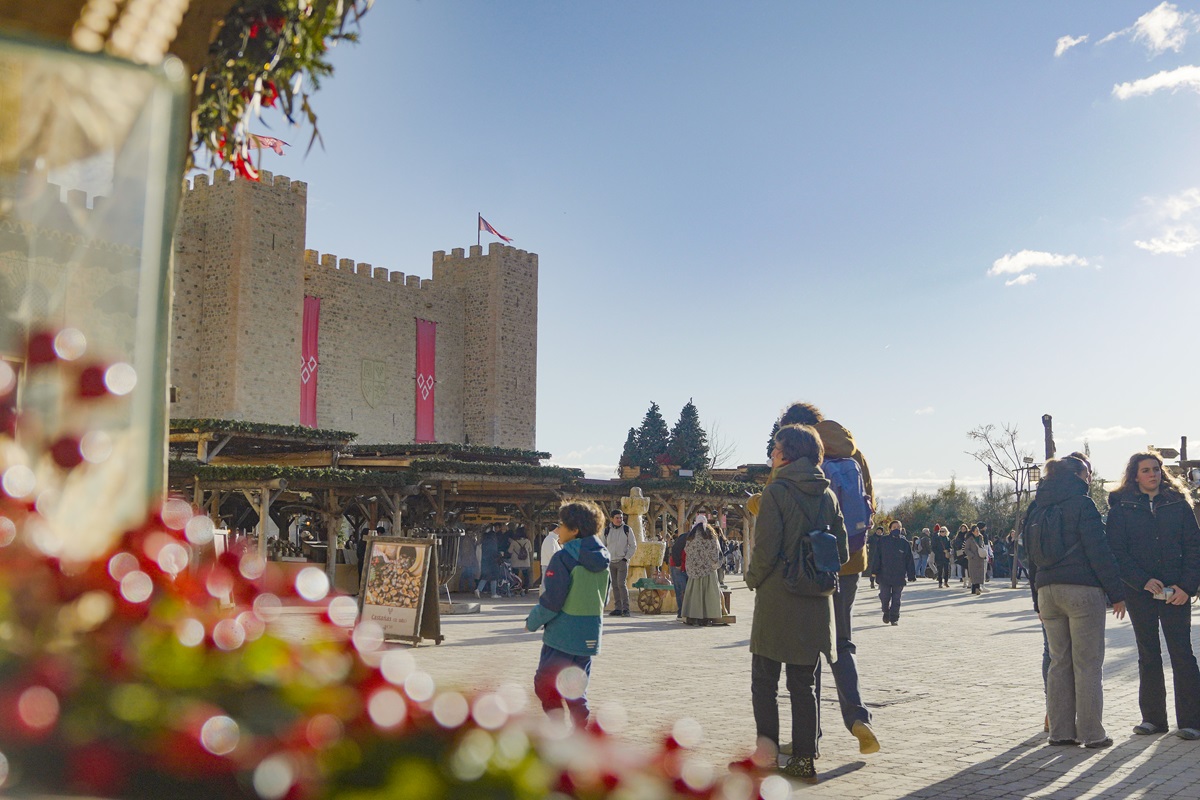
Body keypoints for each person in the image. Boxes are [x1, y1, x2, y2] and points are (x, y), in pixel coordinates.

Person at [737, 423, 848, 782]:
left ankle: (766, 757)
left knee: (764, 681)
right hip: (816, 598)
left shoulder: (777, 491)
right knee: (804, 685)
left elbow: (766, 548)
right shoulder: (828, 495)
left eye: (775, 449)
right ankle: (803, 760)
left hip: (777, 596)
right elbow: (842, 550)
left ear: (789, 454)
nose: (771, 455)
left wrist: (751, 579)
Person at [1026, 454, 1126, 749]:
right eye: (1088, 473)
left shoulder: (1036, 506)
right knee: (1088, 664)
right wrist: (1117, 593)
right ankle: (1092, 734)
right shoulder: (1082, 504)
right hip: (1082, 592)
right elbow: (1099, 550)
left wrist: (1037, 601)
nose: (1090, 478)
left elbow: (1031, 558)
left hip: (1048, 593)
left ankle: (1060, 732)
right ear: (1080, 475)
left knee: (1059, 663)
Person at [1107, 450, 1200, 739]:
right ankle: (1153, 719)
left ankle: (1192, 722)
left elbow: (1194, 548)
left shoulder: (1178, 504)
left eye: (1156, 469)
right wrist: (1141, 581)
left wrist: (1187, 587)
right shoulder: (1122, 507)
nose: (1152, 474)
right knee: (1148, 654)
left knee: (1182, 654)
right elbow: (1116, 551)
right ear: (1135, 475)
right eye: (1146, 470)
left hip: (1177, 593)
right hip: (1141, 593)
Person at [525, 501, 611, 726]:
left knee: (545, 683)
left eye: (562, 525)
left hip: (561, 636)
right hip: (589, 634)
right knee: (574, 687)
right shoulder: (603, 560)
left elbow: (552, 601)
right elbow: (606, 599)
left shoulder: (563, 558)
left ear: (575, 530)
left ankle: (558, 728)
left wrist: (532, 622)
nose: (558, 530)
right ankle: (580, 731)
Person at [869, 520, 916, 624]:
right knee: (885, 596)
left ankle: (894, 618)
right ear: (890, 529)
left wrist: (911, 574)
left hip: (899, 576)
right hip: (884, 575)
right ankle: (886, 611)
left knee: (896, 598)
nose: (896, 529)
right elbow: (877, 557)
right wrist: (874, 571)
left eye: (898, 528)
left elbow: (909, 560)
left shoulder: (904, 543)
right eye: (894, 527)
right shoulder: (883, 541)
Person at [682, 523, 725, 625]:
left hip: (694, 571)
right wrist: (715, 564)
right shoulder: (711, 537)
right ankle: (706, 617)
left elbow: (687, 551)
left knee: (694, 594)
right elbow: (716, 552)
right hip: (708, 571)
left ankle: (691, 616)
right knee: (708, 594)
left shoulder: (691, 538)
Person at [603, 509, 637, 617]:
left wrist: (626, 558)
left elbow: (633, 546)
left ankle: (626, 609)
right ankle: (617, 608)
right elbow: (603, 546)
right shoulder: (606, 530)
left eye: (621, 517)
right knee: (614, 585)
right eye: (617, 518)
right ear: (612, 519)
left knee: (621, 584)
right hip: (610, 562)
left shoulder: (627, 529)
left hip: (622, 561)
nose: (619, 520)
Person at [670, 522, 697, 620]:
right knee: (681, 589)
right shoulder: (684, 537)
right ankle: (681, 612)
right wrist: (678, 564)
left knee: (688, 590)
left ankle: (688, 612)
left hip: (688, 567)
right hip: (678, 566)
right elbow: (675, 550)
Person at [475, 525, 501, 599]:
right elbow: (494, 552)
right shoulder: (493, 541)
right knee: (494, 578)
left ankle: (478, 589)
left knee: (485, 577)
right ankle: (494, 593)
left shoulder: (484, 541)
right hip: (493, 562)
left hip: (485, 562)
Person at [508, 526, 533, 595]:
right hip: (525, 562)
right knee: (526, 575)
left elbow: (509, 551)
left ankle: (516, 588)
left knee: (515, 576)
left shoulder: (514, 542)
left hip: (516, 562)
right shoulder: (527, 541)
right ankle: (526, 588)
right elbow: (530, 550)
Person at [964, 525, 988, 595]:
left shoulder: (981, 538)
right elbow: (966, 549)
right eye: (976, 531)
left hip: (980, 558)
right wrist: (971, 555)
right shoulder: (969, 540)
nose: (978, 532)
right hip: (973, 559)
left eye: (978, 531)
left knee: (979, 573)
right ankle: (976, 588)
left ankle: (976, 589)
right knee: (974, 574)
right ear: (973, 532)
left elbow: (982, 546)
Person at [539, 525, 562, 596]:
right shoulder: (550, 540)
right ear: (556, 529)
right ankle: (544, 600)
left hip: (551, 565)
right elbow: (552, 555)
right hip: (549, 566)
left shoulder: (553, 539)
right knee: (546, 584)